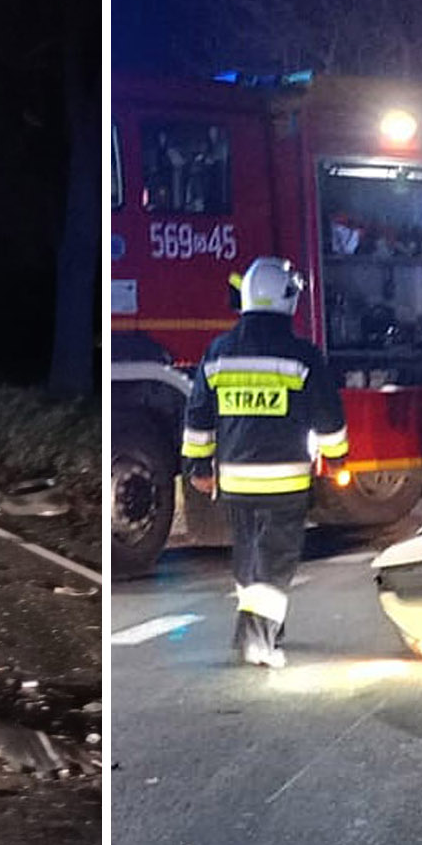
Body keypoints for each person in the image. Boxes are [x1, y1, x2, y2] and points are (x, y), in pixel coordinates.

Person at [180, 256, 347, 668]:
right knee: (275, 564)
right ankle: (256, 641)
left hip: (235, 483)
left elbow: (199, 416)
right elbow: (329, 418)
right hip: (284, 483)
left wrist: (198, 470)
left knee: (249, 559)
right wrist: (339, 458)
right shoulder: (302, 356)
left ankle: (270, 628)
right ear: (286, 300)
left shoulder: (217, 353)